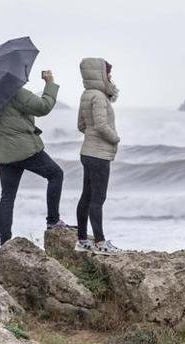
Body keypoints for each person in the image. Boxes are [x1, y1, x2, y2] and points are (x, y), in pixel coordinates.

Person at [0, 70, 69, 245]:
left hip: (4, 153)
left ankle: (5, 243)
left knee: (7, 196)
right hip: (25, 149)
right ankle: (53, 221)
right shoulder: (12, 90)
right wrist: (50, 83)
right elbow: (43, 107)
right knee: (56, 174)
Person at [75, 58, 122, 255]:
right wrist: (115, 138)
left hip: (87, 152)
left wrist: (92, 135)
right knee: (98, 198)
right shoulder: (100, 97)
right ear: (100, 75)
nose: (110, 77)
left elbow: (81, 125)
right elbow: (102, 126)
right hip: (99, 155)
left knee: (86, 196)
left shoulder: (87, 94)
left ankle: (82, 240)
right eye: (108, 73)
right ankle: (101, 243)